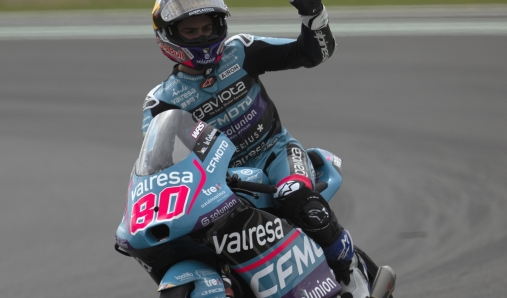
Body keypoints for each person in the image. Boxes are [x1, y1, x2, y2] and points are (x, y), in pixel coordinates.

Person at [143, 0, 370, 297]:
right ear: (169, 35)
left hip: (277, 153)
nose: (201, 36)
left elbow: (312, 53)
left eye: (207, 28)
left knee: (297, 197)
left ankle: (350, 270)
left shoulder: (241, 50)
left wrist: (313, 13)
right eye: (191, 31)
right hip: (221, 181)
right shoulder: (161, 100)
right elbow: (158, 164)